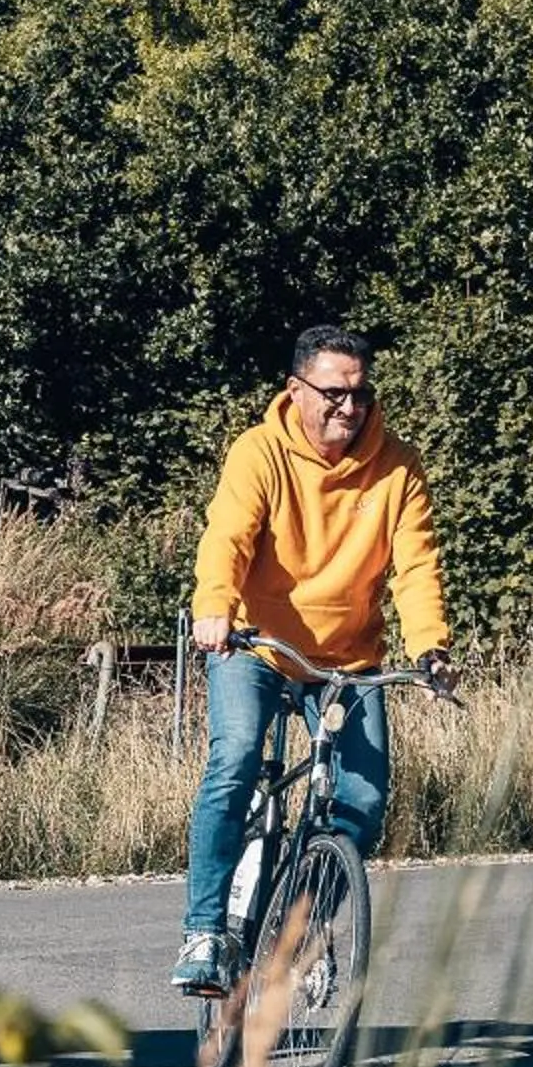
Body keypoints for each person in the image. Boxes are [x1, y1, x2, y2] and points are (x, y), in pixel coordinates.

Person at [173, 324, 453, 998]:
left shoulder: (397, 467)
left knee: (362, 797)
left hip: (348, 660)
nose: (348, 409)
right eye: (333, 394)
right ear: (296, 390)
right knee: (236, 756)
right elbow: (227, 538)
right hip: (254, 645)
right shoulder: (260, 452)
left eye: (359, 395)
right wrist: (215, 606)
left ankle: (299, 934)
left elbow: (416, 565)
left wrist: (430, 644)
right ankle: (205, 931)